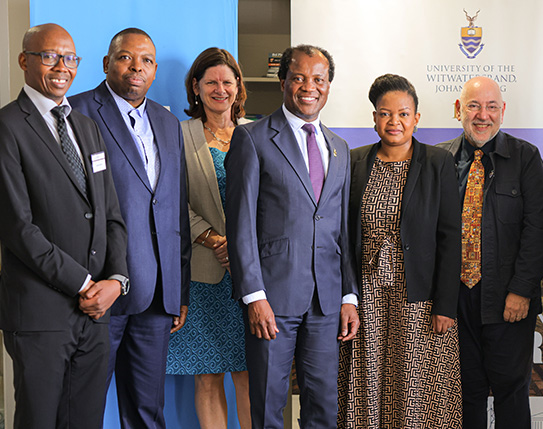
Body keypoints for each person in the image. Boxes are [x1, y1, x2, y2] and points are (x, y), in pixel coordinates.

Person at [0, 23, 128, 428]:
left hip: (96, 314)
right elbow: (18, 228)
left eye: (70, 58)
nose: (62, 66)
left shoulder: (86, 126)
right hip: (40, 312)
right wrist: (84, 284)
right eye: (50, 56)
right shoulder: (3, 128)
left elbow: (110, 213)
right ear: (25, 60)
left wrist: (116, 280)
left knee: (86, 421)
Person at [226, 44, 359, 429]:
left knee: (323, 409)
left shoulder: (339, 148)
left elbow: (342, 231)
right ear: (283, 81)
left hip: (326, 302)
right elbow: (241, 225)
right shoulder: (251, 139)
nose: (308, 87)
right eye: (299, 77)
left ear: (329, 86)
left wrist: (348, 296)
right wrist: (254, 296)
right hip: (273, 299)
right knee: (268, 407)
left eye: (318, 79)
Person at [71, 28, 191, 428]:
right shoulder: (75, 113)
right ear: (107, 64)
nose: (136, 67)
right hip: (98, 290)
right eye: (126, 58)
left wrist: (180, 289)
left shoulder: (167, 121)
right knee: (79, 409)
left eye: (146, 61)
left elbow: (174, 211)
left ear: (154, 70)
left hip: (156, 296)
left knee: (146, 412)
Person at [338, 74, 462, 428]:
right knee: (370, 379)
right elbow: (344, 236)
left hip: (420, 297)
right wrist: (347, 295)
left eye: (404, 114)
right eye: (385, 114)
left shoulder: (438, 162)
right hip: (367, 294)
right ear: (374, 118)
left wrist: (445, 305)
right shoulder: (353, 161)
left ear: (417, 118)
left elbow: (451, 237)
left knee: (415, 384)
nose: (395, 122)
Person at [437, 77, 543, 429]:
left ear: (502, 112)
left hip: (508, 301)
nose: (482, 115)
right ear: (458, 110)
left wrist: (520, 291)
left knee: (510, 390)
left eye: (491, 107)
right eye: (473, 106)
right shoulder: (439, 159)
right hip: (456, 301)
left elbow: (539, 231)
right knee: (465, 391)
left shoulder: (526, 158)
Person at [166, 47, 250, 429]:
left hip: (254, 277)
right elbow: (167, 200)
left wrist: (246, 250)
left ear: (238, 87)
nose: (220, 89)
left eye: (227, 82)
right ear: (196, 88)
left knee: (251, 374)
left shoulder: (258, 133)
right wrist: (216, 240)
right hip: (203, 274)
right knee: (208, 374)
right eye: (211, 82)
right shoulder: (177, 135)